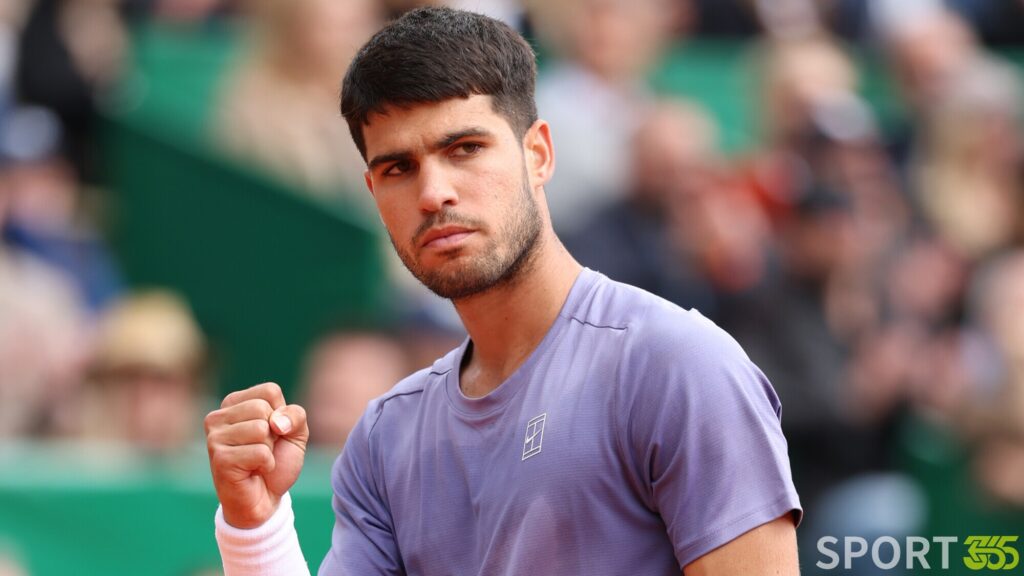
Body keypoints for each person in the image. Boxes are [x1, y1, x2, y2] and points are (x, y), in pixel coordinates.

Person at [204, 7, 801, 575]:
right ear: (373, 193)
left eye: (464, 149)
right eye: (398, 168)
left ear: (538, 154)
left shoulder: (679, 365)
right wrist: (255, 528)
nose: (433, 193)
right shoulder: (383, 438)